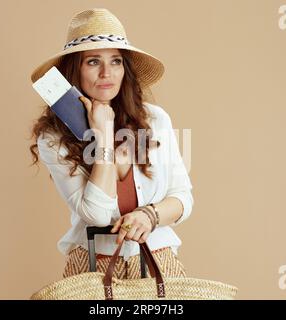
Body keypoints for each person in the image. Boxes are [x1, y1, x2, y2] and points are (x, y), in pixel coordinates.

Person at [29, 8, 193, 280]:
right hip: (93, 267)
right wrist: (103, 135)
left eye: (116, 61)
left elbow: (183, 197)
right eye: (93, 62)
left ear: (124, 69)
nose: (107, 73)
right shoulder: (52, 137)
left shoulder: (155, 120)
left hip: (158, 262)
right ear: (75, 70)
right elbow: (96, 214)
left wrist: (149, 216)